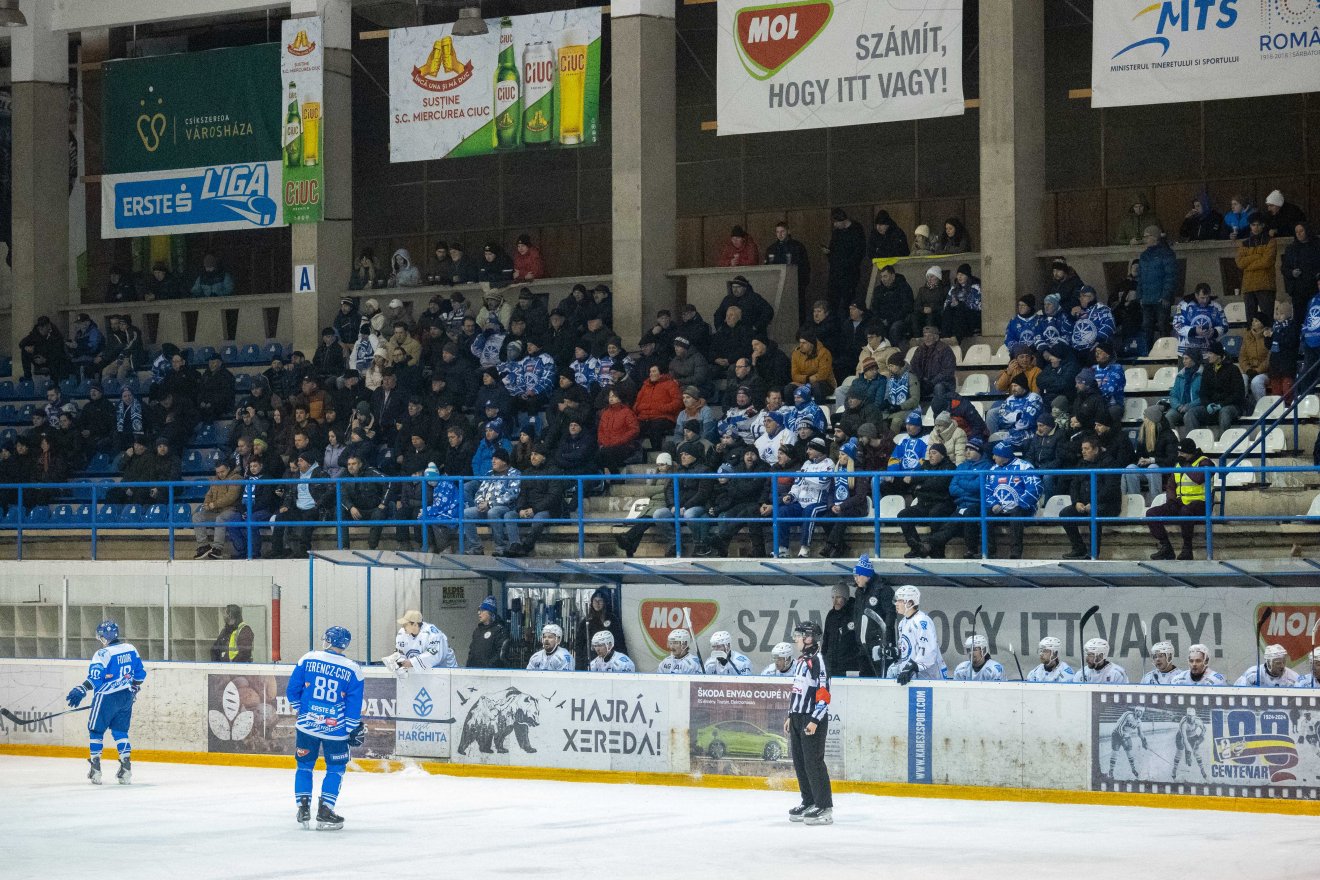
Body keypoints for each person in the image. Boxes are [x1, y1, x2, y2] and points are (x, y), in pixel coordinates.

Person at [286, 625, 363, 830]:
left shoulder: (308, 658)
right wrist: (351, 728)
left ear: (328, 641)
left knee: (304, 766)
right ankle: (326, 810)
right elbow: (353, 706)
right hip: (336, 731)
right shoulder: (353, 669)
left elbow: (292, 690)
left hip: (306, 727)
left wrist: (302, 710)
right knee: (336, 770)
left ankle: (303, 807)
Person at [65, 619, 146, 785]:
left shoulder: (102, 654)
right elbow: (140, 674)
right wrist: (134, 688)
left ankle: (95, 770)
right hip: (125, 697)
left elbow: (96, 678)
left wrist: (82, 688)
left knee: (96, 731)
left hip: (105, 697)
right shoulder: (131, 649)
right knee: (120, 732)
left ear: (103, 637)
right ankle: (126, 770)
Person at [784, 620, 833, 826]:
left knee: (813, 762)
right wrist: (790, 715)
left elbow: (824, 694)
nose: (796, 638)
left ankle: (824, 805)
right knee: (800, 762)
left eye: (799, 635)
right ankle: (809, 800)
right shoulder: (801, 660)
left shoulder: (818, 661)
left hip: (812, 719)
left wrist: (814, 719)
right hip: (797, 718)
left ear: (810, 638)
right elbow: (797, 690)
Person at [1146, 437, 1209, 561]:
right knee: (1151, 513)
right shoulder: (1179, 465)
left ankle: (1187, 549)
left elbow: (1199, 478)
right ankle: (1166, 548)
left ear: (1190, 453)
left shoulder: (1205, 462)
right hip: (1180, 503)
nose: (1179, 455)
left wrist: (1186, 466)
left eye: (1182, 453)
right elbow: (1170, 486)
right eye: (1178, 453)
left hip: (1200, 504)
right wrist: (1171, 501)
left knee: (1185, 512)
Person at [1059, 433, 1120, 560]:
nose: (1083, 452)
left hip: (1106, 504)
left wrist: (1093, 502)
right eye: (1082, 449)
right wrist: (1076, 502)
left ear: (1096, 449)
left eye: (1086, 449)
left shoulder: (1109, 463)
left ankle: (1093, 553)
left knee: (1094, 513)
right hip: (1084, 503)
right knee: (1065, 514)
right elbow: (1074, 485)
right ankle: (1078, 548)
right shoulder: (1081, 464)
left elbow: (1110, 489)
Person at [889, 585, 947, 683]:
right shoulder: (903, 623)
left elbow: (928, 651)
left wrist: (912, 667)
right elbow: (905, 648)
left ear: (910, 603)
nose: (896, 604)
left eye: (900, 601)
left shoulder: (922, 621)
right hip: (914, 676)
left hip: (931, 677)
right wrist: (893, 651)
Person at [1137, 225, 1177, 348]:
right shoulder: (1143, 255)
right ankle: (1148, 353)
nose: (1145, 239)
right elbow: (1140, 277)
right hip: (1147, 299)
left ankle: (1166, 352)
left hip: (1161, 299)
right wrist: (1140, 296)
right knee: (1146, 327)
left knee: (1163, 326)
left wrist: (1166, 296)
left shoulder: (1167, 254)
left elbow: (1171, 276)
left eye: (1147, 236)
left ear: (1155, 237)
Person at [382, 609, 457, 674]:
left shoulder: (433, 633)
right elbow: (401, 653)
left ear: (415, 624)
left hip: (446, 671)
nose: (403, 626)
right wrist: (399, 662)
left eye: (405, 624)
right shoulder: (402, 632)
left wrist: (411, 662)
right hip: (424, 672)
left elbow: (434, 656)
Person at [192, 461, 240, 559]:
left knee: (220, 518)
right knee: (197, 516)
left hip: (231, 510)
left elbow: (231, 497)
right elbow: (209, 494)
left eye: (222, 472)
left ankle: (217, 548)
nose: (220, 474)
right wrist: (207, 503)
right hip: (216, 510)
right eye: (218, 472)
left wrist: (214, 504)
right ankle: (204, 546)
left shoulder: (236, 478)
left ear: (228, 469)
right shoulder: (215, 480)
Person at [1235, 212, 1278, 323]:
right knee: (1250, 322)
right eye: (1253, 225)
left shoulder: (1271, 241)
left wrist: (1248, 266)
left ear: (1263, 225)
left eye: (1258, 225)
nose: (1256, 227)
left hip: (1265, 285)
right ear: (1250, 226)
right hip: (1248, 286)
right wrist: (1257, 256)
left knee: (1267, 321)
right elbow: (1240, 263)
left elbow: (1267, 262)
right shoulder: (1243, 243)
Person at [765, 221, 811, 321]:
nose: (780, 234)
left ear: (788, 231)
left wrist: (802, 284)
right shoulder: (772, 249)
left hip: (795, 286)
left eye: (782, 231)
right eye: (777, 232)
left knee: (797, 313)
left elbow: (805, 267)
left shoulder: (798, 247)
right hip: (777, 286)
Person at [824, 208, 866, 308]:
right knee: (833, 301)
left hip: (849, 272)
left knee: (848, 301)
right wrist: (828, 253)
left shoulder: (856, 230)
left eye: (836, 222)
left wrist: (848, 264)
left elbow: (859, 252)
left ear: (842, 220)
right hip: (835, 272)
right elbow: (832, 248)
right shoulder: (837, 233)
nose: (834, 225)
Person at [1104, 705, 1148, 780]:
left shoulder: (1139, 722)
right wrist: (1123, 738)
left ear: (1142, 713)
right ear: (1135, 710)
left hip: (1126, 736)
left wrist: (1144, 741)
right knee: (1115, 753)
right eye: (1137, 710)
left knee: (1129, 753)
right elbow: (1119, 726)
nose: (1138, 712)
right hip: (1117, 735)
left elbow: (1140, 733)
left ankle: (1133, 770)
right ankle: (1111, 771)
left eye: (1140, 711)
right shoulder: (1128, 714)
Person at [467, 596, 512, 668]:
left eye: (482, 610)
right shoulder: (477, 631)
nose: (479, 613)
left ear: (490, 612)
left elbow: (501, 655)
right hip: (475, 672)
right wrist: (468, 667)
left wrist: (488, 668)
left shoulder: (500, 631)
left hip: (491, 674)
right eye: (479, 610)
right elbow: (471, 652)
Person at [1234, 643, 1301, 687]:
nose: (1282, 666)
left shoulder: (1293, 678)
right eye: (1278, 663)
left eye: (1284, 662)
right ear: (1268, 663)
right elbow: (1236, 691)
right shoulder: (1252, 674)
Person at [1170, 708, 1209, 781]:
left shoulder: (1198, 721)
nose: (1190, 718)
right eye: (1189, 716)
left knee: (1196, 753)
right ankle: (1174, 770)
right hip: (1181, 737)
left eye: (1192, 716)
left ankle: (1203, 772)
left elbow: (1204, 729)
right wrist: (1189, 752)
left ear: (1195, 716)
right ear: (1186, 716)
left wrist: (1199, 739)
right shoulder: (1183, 724)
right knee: (1180, 752)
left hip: (1192, 736)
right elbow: (1185, 739)